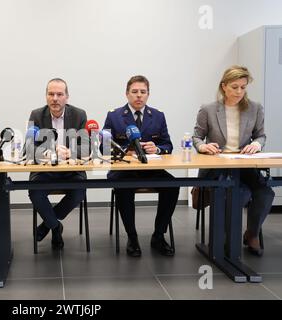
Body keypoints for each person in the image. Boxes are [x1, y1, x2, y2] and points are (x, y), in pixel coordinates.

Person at [193, 65, 275, 256]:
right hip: (218, 165)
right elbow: (196, 137)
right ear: (224, 86)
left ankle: (251, 233)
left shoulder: (255, 108)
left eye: (243, 87)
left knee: (265, 193)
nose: (239, 92)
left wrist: (256, 144)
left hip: (244, 164)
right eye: (234, 87)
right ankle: (225, 237)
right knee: (241, 193)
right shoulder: (209, 109)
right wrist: (203, 146)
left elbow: (261, 136)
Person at [102, 75, 179, 257]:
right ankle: (132, 237)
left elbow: (168, 145)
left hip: (151, 170)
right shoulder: (114, 116)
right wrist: (122, 151)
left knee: (173, 186)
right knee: (123, 188)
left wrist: (157, 149)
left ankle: (158, 236)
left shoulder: (158, 116)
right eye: (135, 92)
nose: (139, 96)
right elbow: (103, 147)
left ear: (148, 95)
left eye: (143, 92)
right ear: (127, 94)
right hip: (125, 171)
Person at [28, 78, 88, 250]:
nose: (55, 98)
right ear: (46, 97)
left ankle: (47, 224)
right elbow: (30, 147)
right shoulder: (36, 115)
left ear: (67, 97)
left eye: (59, 94)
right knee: (35, 191)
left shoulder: (79, 115)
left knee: (79, 191)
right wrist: (47, 152)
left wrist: (71, 152)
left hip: (71, 170)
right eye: (51, 94)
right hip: (46, 169)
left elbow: (85, 146)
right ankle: (55, 227)